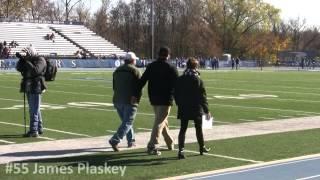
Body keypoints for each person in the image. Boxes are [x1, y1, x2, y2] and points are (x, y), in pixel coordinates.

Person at [137, 47, 178, 155]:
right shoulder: (171, 67)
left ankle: (170, 142)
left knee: (162, 121)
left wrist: (135, 94)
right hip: (165, 98)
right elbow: (177, 85)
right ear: (168, 55)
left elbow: (142, 81)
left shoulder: (151, 66)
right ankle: (152, 145)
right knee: (159, 122)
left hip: (154, 98)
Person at [174, 57, 211, 159]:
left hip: (184, 107)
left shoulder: (180, 79)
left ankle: (181, 150)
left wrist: (179, 103)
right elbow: (202, 97)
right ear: (196, 66)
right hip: (196, 107)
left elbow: (175, 93)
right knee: (198, 129)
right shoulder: (198, 79)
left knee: (183, 129)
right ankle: (201, 147)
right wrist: (207, 110)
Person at [109, 52, 142, 152]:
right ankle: (115, 140)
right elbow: (139, 87)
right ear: (133, 61)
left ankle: (131, 141)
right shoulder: (135, 70)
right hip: (129, 100)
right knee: (128, 122)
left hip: (117, 99)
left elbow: (114, 86)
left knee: (126, 122)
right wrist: (137, 98)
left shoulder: (117, 70)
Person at [16, 46, 47, 137]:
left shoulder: (40, 60)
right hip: (29, 86)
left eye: (27, 54)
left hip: (36, 86)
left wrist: (26, 61)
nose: (26, 55)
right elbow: (18, 68)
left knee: (34, 109)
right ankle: (39, 128)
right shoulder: (27, 60)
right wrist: (21, 60)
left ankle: (34, 130)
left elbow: (35, 71)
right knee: (35, 108)